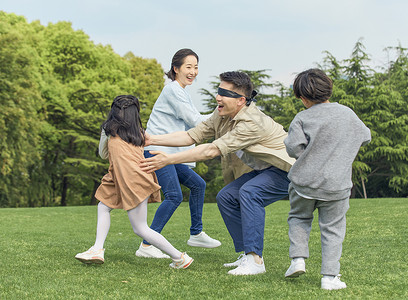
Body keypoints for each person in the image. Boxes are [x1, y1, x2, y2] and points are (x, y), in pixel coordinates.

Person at [140, 71, 295, 275]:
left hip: (284, 170)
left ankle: (255, 261)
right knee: (226, 197)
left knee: (249, 192)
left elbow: (211, 150)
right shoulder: (221, 114)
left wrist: (168, 159)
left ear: (241, 100)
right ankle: (246, 255)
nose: (218, 97)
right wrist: (153, 140)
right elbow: (191, 136)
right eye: (218, 91)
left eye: (224, 93)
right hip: (262, 169)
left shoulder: (251, 122)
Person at [75, 95, 193, 270]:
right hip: (127, 177)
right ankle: (97, 249)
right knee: (103, 206)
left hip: (131, 179)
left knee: (140, 228)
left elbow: (103, 154)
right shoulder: (139, 133)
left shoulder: (109, 130)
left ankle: (180, 257)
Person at [283, 69, 371, 290]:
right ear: (328, 88)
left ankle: (298, 260)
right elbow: (365, 136)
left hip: (303, 184)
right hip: (336, 185)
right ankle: (330, 278)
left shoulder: (302, 118)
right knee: (333, 229)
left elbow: (293, 148)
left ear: (302, 98)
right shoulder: (347, 114)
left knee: (299, 218)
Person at [135, 48, 221, 259]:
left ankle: (196, 233)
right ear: (176, 69)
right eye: (188, 67)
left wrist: (221, 108)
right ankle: (146, 245)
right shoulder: (173, 90)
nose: (193, 71)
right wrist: (223, 106)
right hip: (157, 151)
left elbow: (197, 119)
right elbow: (196, 122)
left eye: (196, 67)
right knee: (173, 196)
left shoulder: (181, 91)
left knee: (198, 184)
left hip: (169, 153)